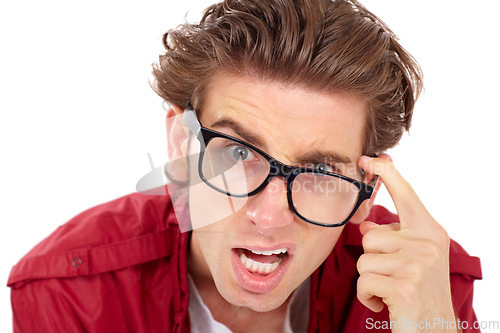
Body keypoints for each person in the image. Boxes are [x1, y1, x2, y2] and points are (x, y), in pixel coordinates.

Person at [8, 0, 482, 332]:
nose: (269, 216)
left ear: (367, 192)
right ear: (180, 147)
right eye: (238, 154)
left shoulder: (428, 285)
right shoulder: (69, 291)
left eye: (320, 173)